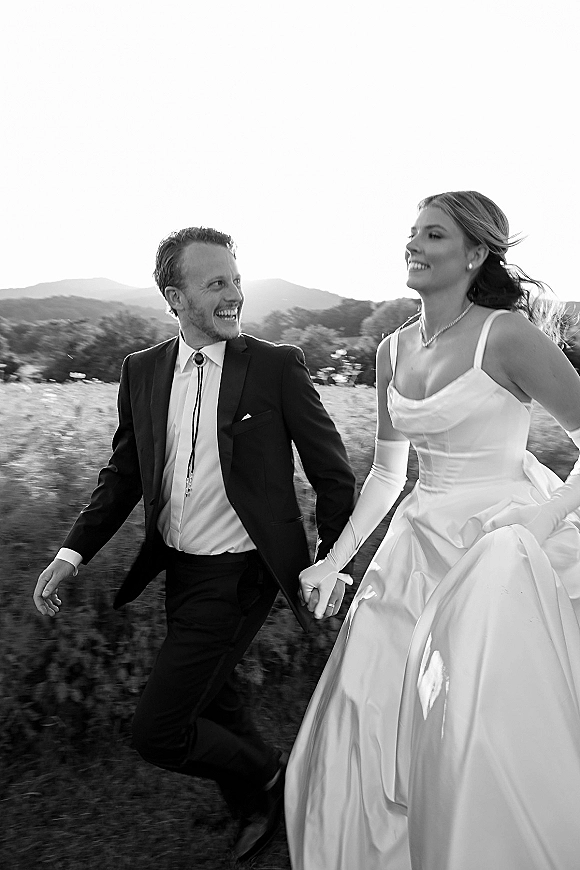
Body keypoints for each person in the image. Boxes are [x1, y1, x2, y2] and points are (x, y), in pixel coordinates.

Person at [32, 226, 356, 863]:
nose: (234, 293)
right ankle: (257, 808)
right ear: (173, 297)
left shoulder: (275, 366)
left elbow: (332, 473)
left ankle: (271, 779)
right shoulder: (143, 370)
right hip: (178, 569)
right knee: (217, 695)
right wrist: (71, 553)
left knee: (158, 731)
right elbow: (125, 472)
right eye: (215, 283)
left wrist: (330, 564)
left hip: (241, 575)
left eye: (236, 279)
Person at [285, 191, 580, 870]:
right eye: (412, 233)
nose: (414, 245)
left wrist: (539, 520)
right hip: (413, 548)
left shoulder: (506, 335)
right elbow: (389, 475)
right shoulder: (391, 349)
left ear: (475, 254)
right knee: (373, 701)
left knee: (481, 719)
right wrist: (336, 561)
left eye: (434, 235)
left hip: (498, 544)